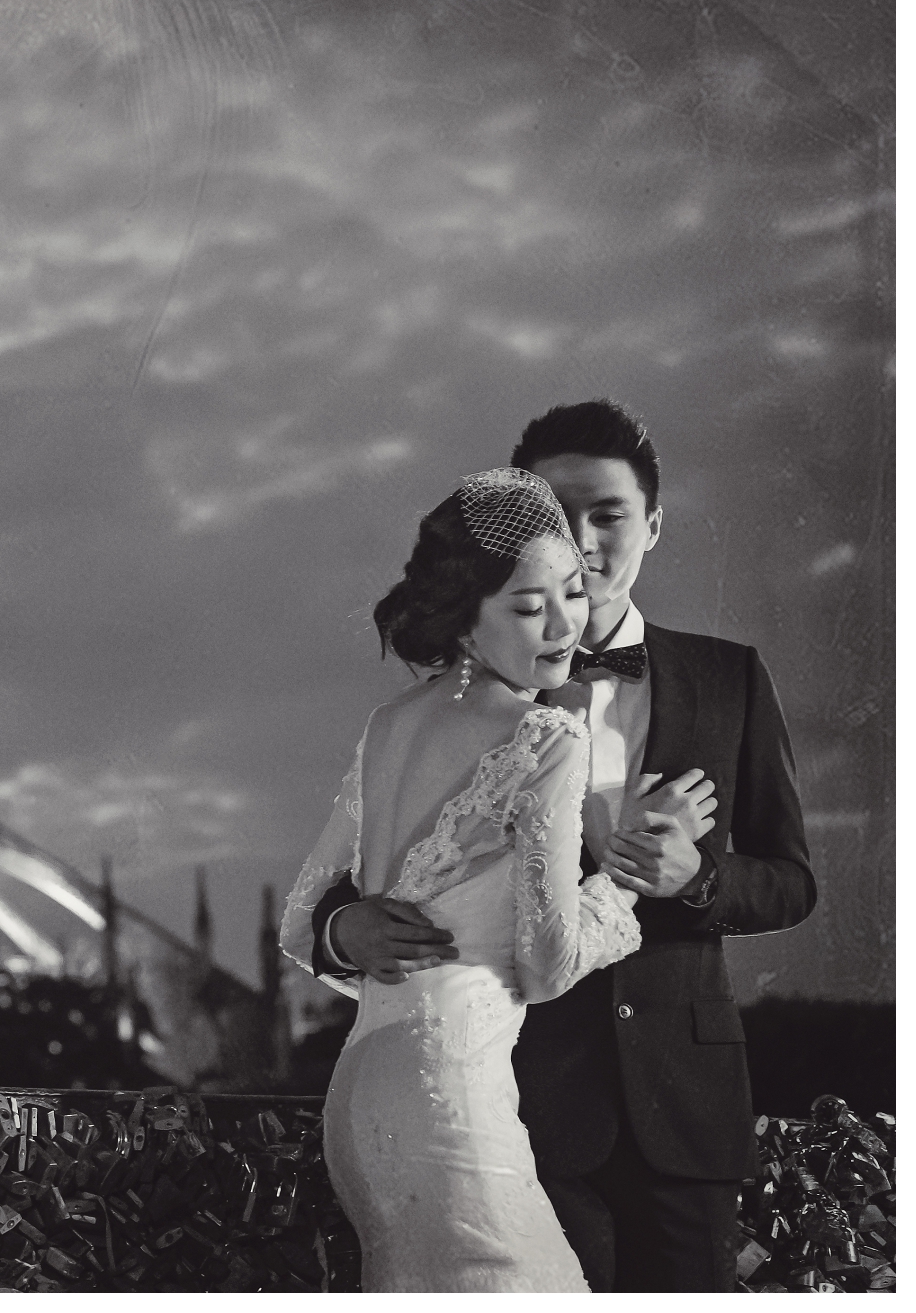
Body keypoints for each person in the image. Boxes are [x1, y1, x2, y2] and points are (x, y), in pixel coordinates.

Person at [307, 400, 816, 1291]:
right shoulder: (464, 696)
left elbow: (792, 881)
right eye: (555, 512)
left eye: (608, 514)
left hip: (684, 1109)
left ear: (653, 525)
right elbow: (353, 880)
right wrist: (347, 930)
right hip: (515, 1098)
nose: (581, 539)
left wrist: (696, 877)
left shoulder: (731, 678)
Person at [280, 466, 644, 1292]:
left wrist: (347, 928)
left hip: (363, 1094)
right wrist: (626, 883)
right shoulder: (547, 737)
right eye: (526, 607)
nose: (562, 626)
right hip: (451, 1101)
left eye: (574, 595)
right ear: (463, 619)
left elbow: (303, 917)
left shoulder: (389, 725)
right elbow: (546, 966)